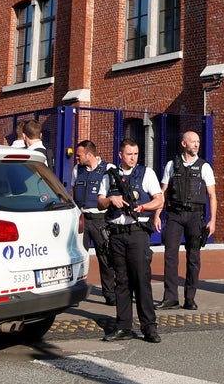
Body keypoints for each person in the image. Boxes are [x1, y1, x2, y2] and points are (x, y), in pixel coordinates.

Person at [98, 138, 164, 343]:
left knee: (141, 280)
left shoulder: (147, 173)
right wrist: (111, 200)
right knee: (122, 282)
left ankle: (149, 327)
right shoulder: (110, 175)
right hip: (116, 234)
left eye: (135, 154)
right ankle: (123, 326)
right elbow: (100, 202)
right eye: (129, 154)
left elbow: (159, 199)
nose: (133, 157)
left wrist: (144, 207)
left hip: (137, 233)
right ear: (120, 155)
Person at [154, 131, 216, 311]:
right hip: (174, 215)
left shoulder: (204, 167)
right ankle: (170, 298)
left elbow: (212, 195)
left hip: (195, 216)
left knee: (194, 257)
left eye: (198, 141)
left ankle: (190, 298)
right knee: (170, 255)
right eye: (193, 142)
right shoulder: (172, 165)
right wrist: (157, 214)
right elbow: (162, 193)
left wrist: (212, 221)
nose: (196, 145)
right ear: (183, 144)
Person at [72, 139, 116, 306]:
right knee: (79, 257)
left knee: (105, 257)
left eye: (79, 155)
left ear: (89, 155)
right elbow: (73, 190)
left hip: (100, 220)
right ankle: (76, 292)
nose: (77, 158)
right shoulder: (78, 169)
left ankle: (110, 294)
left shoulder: (108, 169)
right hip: (83, 219)